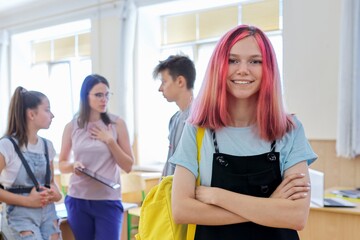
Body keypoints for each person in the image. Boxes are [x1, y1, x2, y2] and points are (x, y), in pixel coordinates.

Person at [170, 25, 318, 240]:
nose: (243, 69)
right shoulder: (197, 129)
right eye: (233, 60)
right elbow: (182, 210)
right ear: (219, 66)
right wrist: (270, 207)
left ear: (268, 68)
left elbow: (296, 216)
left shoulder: (289, 129)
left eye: (255, 61)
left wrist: (218, 197)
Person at [58, 74, 134, 240]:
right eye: (99, 95)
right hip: (78, 200)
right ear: (86, 96)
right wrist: (73, 166)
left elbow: (128, 166)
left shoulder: (117, 124)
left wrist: (110, 141)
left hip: (108, 201)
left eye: (107, 94)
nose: (104, 99)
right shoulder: (72, 126)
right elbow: (62, 164)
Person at [0, 86, 62, 240]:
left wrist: (56, 193)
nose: (52, 115)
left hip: (48, 213)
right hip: (19, 216)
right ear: (31, 114)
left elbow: (51, 182)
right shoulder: (6, 145)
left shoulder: (48, 146)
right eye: (47, 110)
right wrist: (27, 200)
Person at [153, 54, 196, 176]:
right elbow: (170, 160)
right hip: (171, 190)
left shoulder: (199, 118)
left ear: (180, 81)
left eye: (164, 82)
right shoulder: (174, 119)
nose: (160, 88)